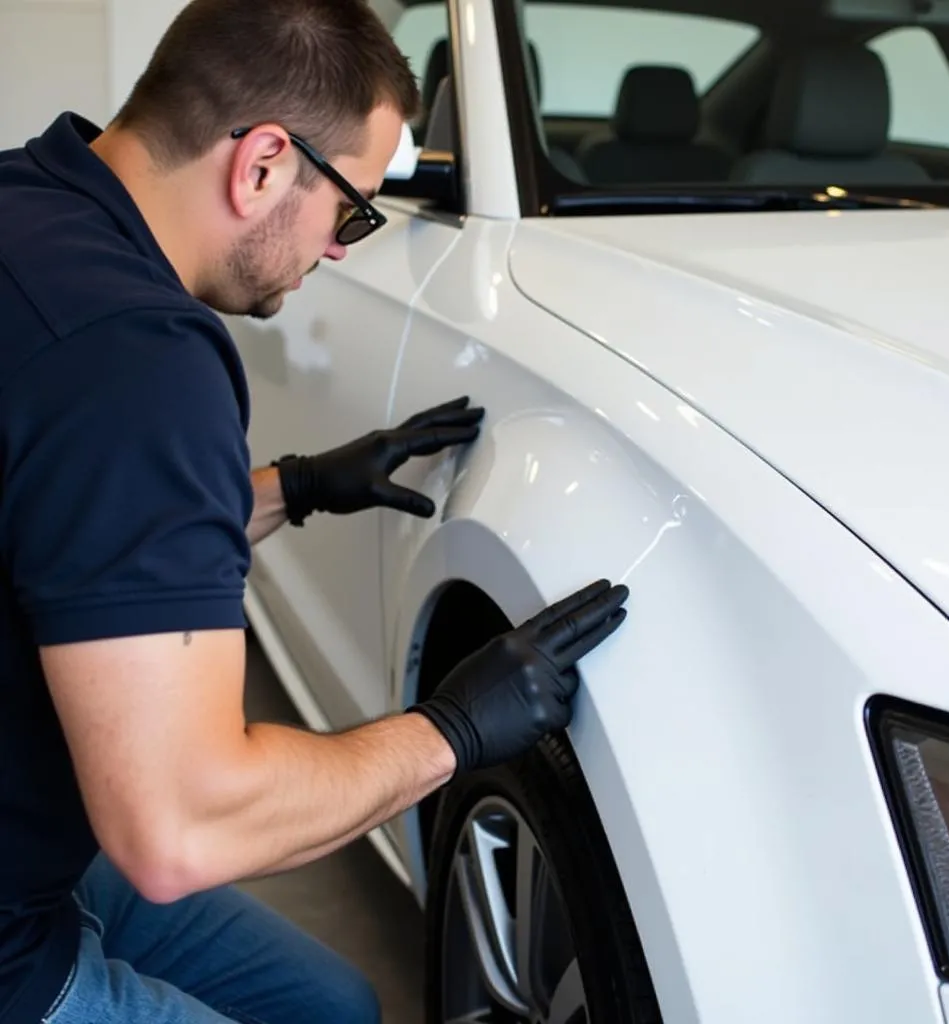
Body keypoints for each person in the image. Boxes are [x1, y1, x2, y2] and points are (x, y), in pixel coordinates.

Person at [0, 0, 631, 1022]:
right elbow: (178, 828)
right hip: (16, 935)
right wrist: (451, 731)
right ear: (258, 166)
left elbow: (72, 531)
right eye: (355, 208)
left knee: (335, 1002)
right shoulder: (137, 363)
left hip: (37, 822)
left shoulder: (31, 200)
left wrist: (295, 487)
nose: (343, 247)